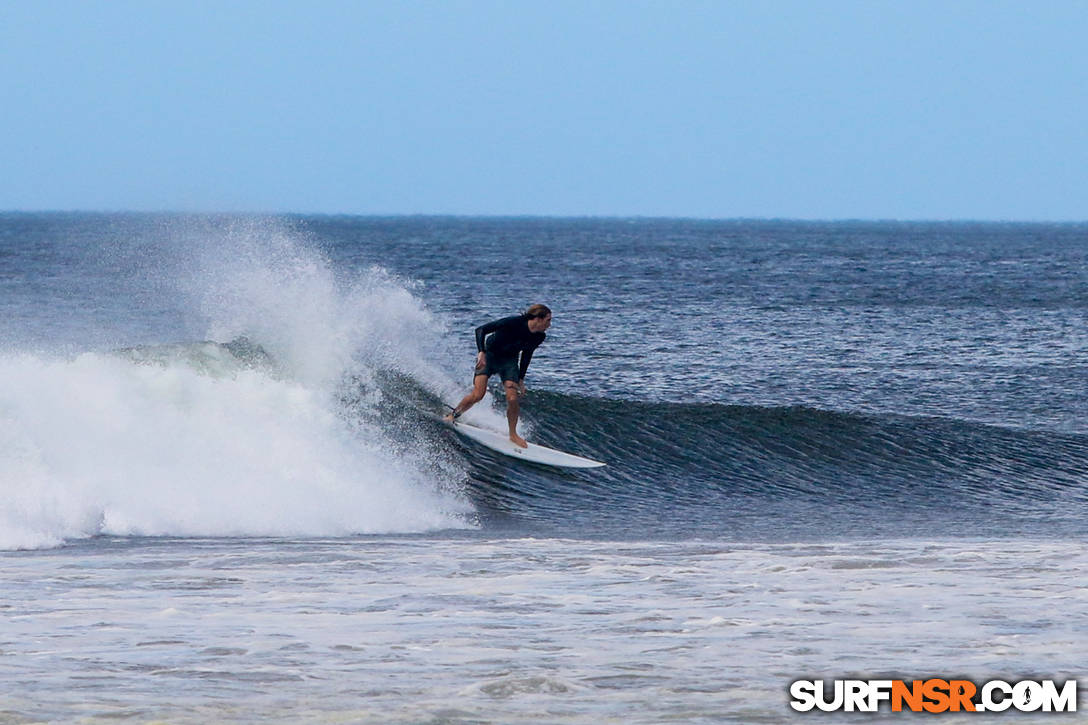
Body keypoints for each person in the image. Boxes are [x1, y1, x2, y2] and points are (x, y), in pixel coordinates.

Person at [446, 304, 552, 448]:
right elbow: (481, 330)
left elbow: (527, 354)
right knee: (478, 394)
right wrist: (481, 353)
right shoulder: (514, 322)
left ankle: (513, 434)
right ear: (538, 319)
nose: (549, 325)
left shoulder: (539, 336)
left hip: (509, 362)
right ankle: (453, 415)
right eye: (548, 320)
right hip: (489, 356)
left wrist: (521, 379)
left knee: (512, 398)